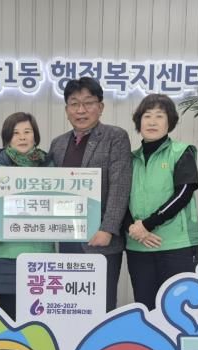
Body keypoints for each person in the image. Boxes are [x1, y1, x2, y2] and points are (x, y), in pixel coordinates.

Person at [47, 77, 132, 312]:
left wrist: (107, 229)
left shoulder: (115, 137)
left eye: (88, 103)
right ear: (67, 110)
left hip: (100, 238)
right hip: (67, 237)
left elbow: (120, 185)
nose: (81, 110)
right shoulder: (58, 144)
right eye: (74, 104)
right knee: (69, 305)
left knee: (100, 305)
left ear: (100, 107)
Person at [125, 93, 198, 310]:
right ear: (139, 122)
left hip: (176, 245)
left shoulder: (181, 152)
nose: (152, 122)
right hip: (138, 245)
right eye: (147, 116)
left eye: (159, 116)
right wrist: (133, 228)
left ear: (170, 122)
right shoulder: (130, 159)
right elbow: (119, 198)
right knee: (146, 307)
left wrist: (147, 225)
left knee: (179, 309)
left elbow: (183, 193)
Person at [0, 112, 54, 320]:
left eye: (27, 132)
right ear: (7, 138)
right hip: (8, 253)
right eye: (15, 133)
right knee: (11, 318)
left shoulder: (51, 166)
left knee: (41, 318)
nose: (22, 137)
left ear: (35, 136)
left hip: (42, 253)